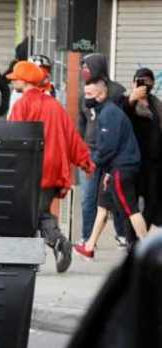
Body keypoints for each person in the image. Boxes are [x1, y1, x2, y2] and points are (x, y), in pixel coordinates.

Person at [8, 61, 95, 273]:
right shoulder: (54, 105)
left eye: (15, 79)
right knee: (38, 211)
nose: (12, 82)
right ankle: (42, 252)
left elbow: (13, 139)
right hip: (54, 169)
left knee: (31, 213)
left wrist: (8, 165)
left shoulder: (22, 105)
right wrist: (86, 162)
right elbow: (72, 136)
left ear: (25, 81)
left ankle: (57, 243)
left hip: (33, 170)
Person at [73, 80, 148, 260]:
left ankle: (149, 251)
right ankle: (89, 247)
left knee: (131, 209)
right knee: (102, 207)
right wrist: (105, 171)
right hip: (113, 168)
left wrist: (93, 163)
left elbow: (108, 147)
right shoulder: (104, 112)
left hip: (122, 168)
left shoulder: (109, 113)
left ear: (101, 95)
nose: (86, 99)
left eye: (89, 95)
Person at [78, 53, 128, 247]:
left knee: (115, 195)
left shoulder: (117, 93)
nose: (84, 71)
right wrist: (80, 149)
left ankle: (122, 234)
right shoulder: (84, 94)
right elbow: (80, 124)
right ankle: (87, 236)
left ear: (97, 67)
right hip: (89, 153)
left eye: (87, 67)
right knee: (88, 197)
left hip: (111, 153)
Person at [121, 68, 162, 232]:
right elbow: (124, 112)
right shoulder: (127, 102)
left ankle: (141, 233)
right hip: (134, 162)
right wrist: (132, 98)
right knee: (131, 205)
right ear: (133, 82)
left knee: (152, 202)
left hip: (154, 163)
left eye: (148, 81)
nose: (145, 84)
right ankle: (132, 238)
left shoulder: (156, 104)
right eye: (140, 80)